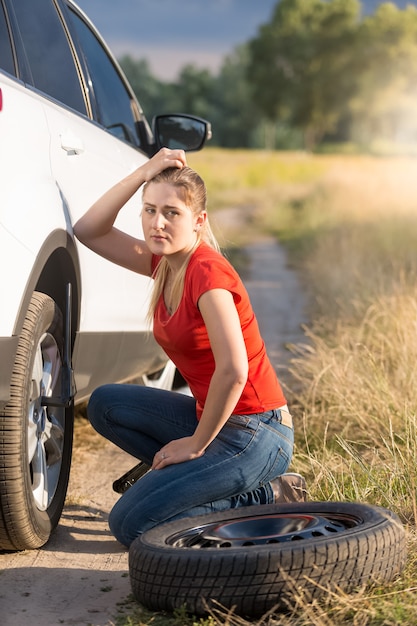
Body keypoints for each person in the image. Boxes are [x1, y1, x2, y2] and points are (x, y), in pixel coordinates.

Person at [73, 147, 306, 548]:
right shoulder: (165, 263)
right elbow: (89, 230)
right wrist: (144, 171)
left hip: (256, 432)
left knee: (129, 525)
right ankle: (190, 482)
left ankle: (267, 494)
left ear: (199, 221)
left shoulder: (208, 273)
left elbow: (234, 372)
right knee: (105, 403)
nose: (157, 223)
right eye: (149, 210)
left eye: (171, 213)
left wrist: (195, 444)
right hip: (215, 421)